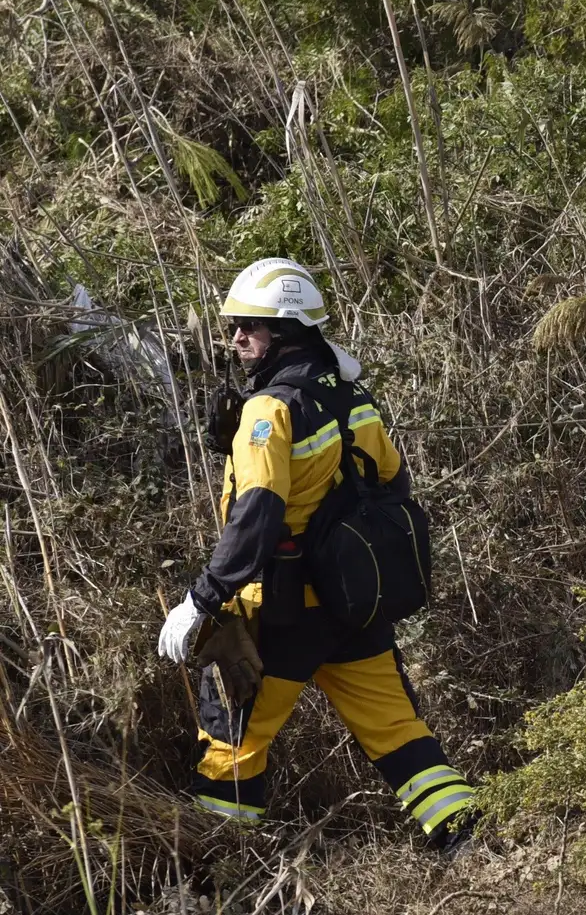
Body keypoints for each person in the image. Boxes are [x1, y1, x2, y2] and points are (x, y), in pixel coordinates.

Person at [156, 257, 477, 849]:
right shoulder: (353, 398)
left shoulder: (268, 411)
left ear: (286, 328)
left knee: (233, 738)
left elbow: (255, 516)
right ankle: (466, 837)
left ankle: (221, 870)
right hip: (353, 608)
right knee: (398, 729)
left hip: (282, 615)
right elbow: (392, 485)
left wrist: (200, 600)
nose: (236, 339)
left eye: (248, 327)